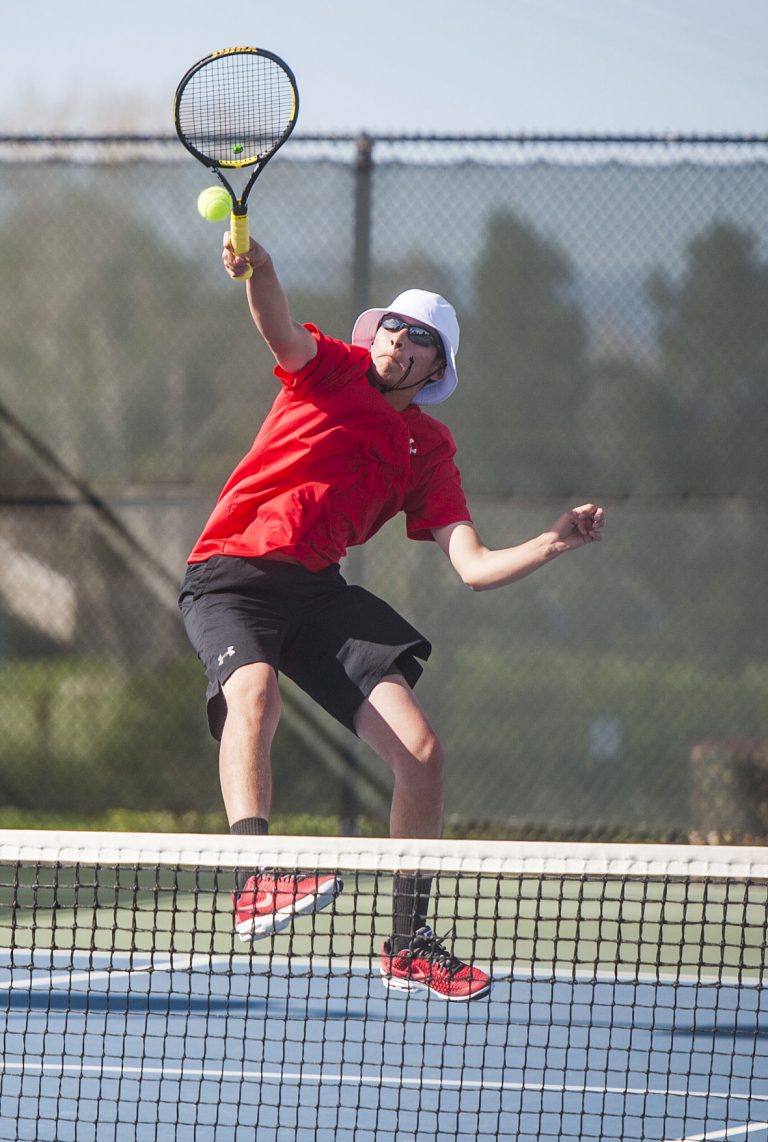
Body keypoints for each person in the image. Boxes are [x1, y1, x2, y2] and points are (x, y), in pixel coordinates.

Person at [179, 230, 605, 1003]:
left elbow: (472, 567)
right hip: (231, 575)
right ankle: (255, 876)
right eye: (392, 327)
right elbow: (277, 327)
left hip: (317, 593)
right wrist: (263, 265)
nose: (397, 341)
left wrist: (552, 542)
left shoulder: (428, 450)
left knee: (423, 751)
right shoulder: (331, 370)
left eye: (418, 339)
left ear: (436, 369)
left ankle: (408, 942)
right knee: (256, 693)